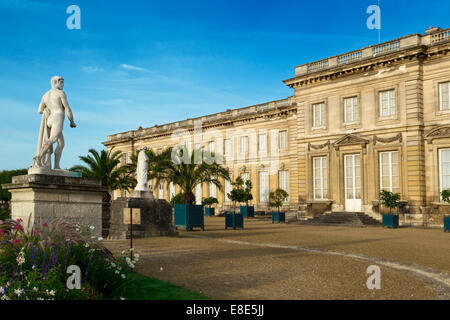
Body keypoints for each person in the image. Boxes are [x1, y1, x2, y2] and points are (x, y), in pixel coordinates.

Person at [33, 76, 76, 169]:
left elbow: (40, 110)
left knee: (61, 144)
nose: (63, 84)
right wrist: (72, 122)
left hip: (50, 119)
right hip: (58, 117)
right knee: (53, 139)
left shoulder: (45, 95)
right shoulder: (61, 93)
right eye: (61, 82)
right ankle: (38, 158)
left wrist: (45, 111)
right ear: (55, 82)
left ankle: (56, 166)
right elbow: (67, 108)